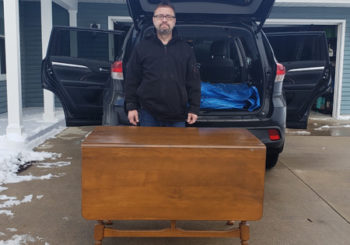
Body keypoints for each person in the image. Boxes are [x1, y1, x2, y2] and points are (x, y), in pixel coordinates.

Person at [124, 1, 201, 127]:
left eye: (168, 16)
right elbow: (132, 79)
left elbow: (193, 81)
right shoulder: (142, 48)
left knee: (176, 147)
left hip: (178, 115)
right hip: (148, 114)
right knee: (148, 147)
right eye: (160, 16)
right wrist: (131, 106)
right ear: (154, 20)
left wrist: (194, 108)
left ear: (174, 21)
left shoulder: (186, 49)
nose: (164, 20)